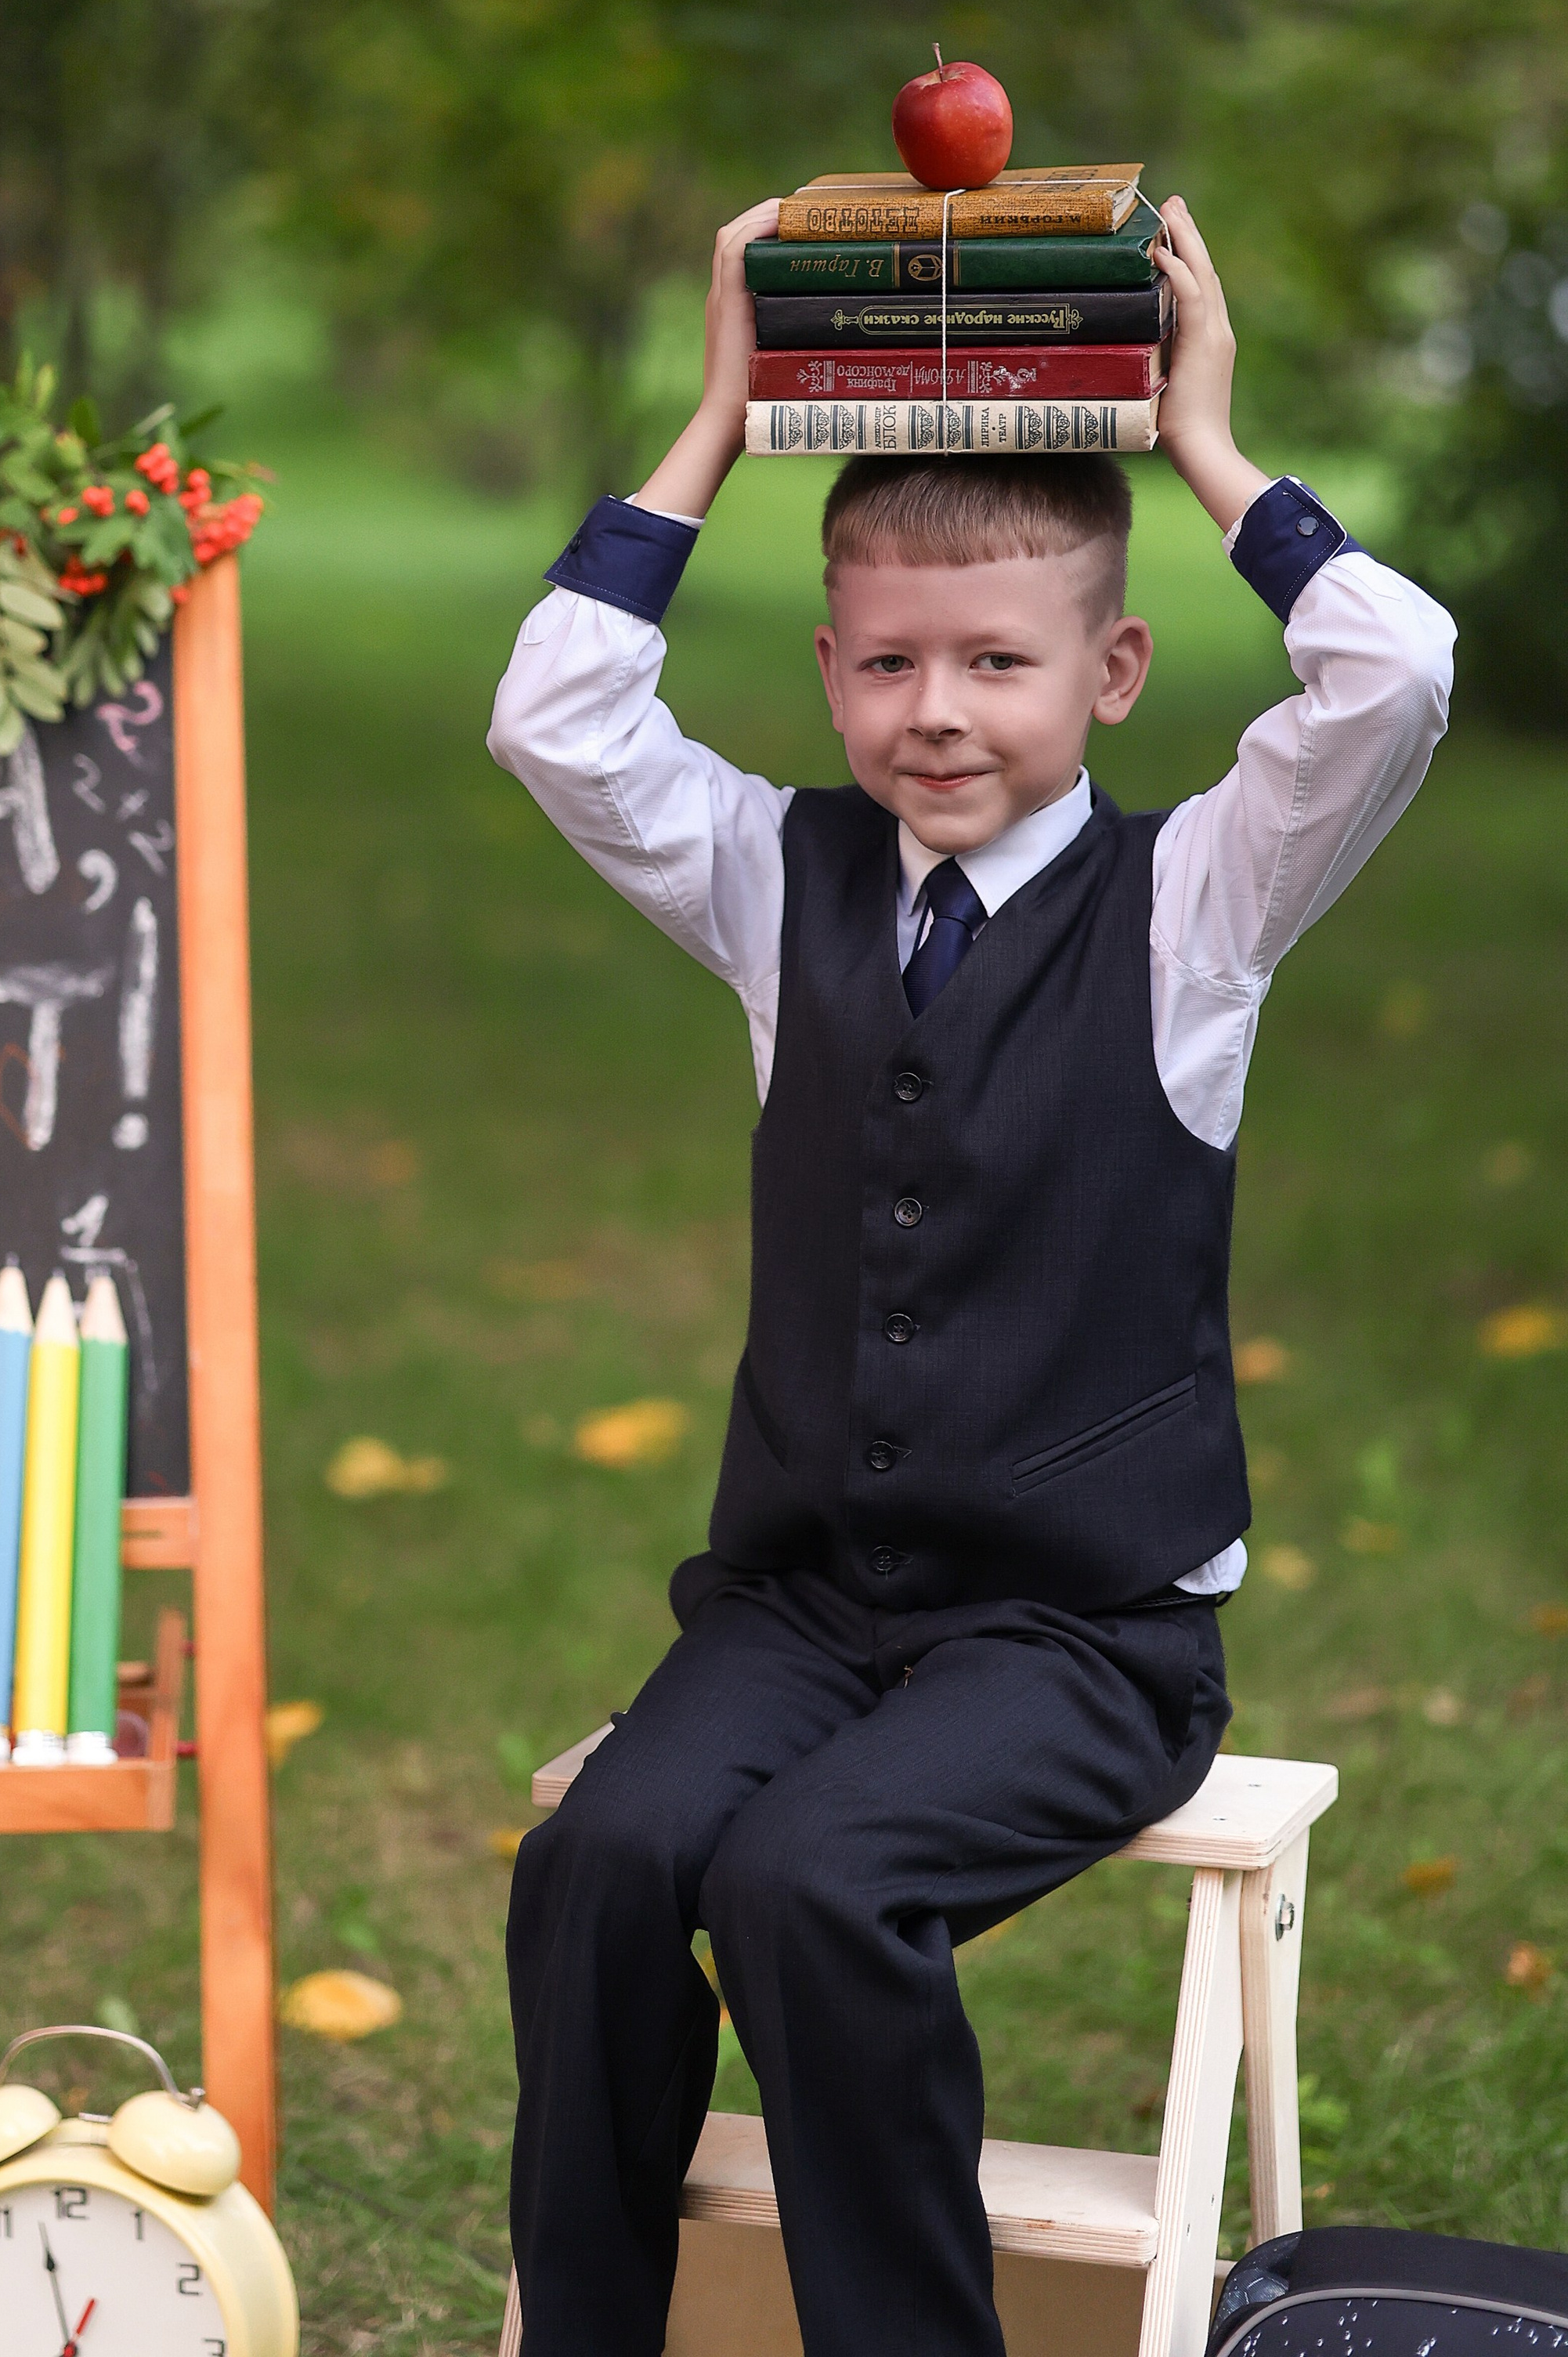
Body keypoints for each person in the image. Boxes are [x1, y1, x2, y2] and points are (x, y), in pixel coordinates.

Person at [485, 195, 1455, 2357]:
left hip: (1084, 1631)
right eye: (893, 661)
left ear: (1112, 671)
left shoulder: (1199, 902)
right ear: (828, 666)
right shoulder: (775, 877)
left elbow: (1395, 673)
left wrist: (1211, 451)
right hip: (810, 1602)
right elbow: (555, 719)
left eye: (1002, 660)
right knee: (608, 1867)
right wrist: (720, 423)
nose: (941, 712)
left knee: (815, 1885)